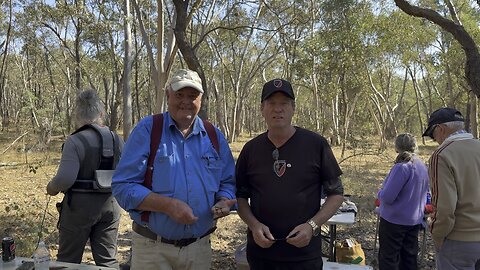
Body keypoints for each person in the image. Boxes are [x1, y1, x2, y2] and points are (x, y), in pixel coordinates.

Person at [111, 69, 236, 270]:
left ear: (201, 100)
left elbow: (228, 181)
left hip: (200, 249)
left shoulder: (213, 136)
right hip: (153, 249)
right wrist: (167, 206)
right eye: (179, 95)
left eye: (192, 96)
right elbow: (123, 186)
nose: (186, 101)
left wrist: (223, 200)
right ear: (168, 96)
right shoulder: (148, 130)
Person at [235, 78, 344, 269]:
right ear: (262, 108)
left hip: (304, 255)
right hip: (262, 254)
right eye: (272, 103)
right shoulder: (250, 149)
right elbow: (241, 197)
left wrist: (312, 226)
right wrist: (254, 225)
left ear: (293, 108)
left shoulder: (316, 145)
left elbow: (336, 194)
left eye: (284, 103)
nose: (278, 109)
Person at [46, 89, 124, 268]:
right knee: (107, 261)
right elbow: (127, 174)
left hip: (78, 209)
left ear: (77, 115)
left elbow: (65, 179)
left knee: (68, 261)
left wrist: (51, 188)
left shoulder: (75, 141)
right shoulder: (117, 140)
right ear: (101, 113)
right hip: (111, 205)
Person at [422, 107, 480, 270]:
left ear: (440, 129)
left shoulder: (442, 155)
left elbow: (445, 209)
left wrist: (437, 235)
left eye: (433, 136)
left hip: (458, 241)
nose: (435, 140)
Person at [376, 133, 429, 270]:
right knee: (409, 259)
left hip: (394, 222)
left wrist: (379, 192)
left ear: (397, 147)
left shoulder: (402, 167)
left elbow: (388, 197)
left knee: (389, 259)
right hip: (414, 221)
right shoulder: (422, 166)